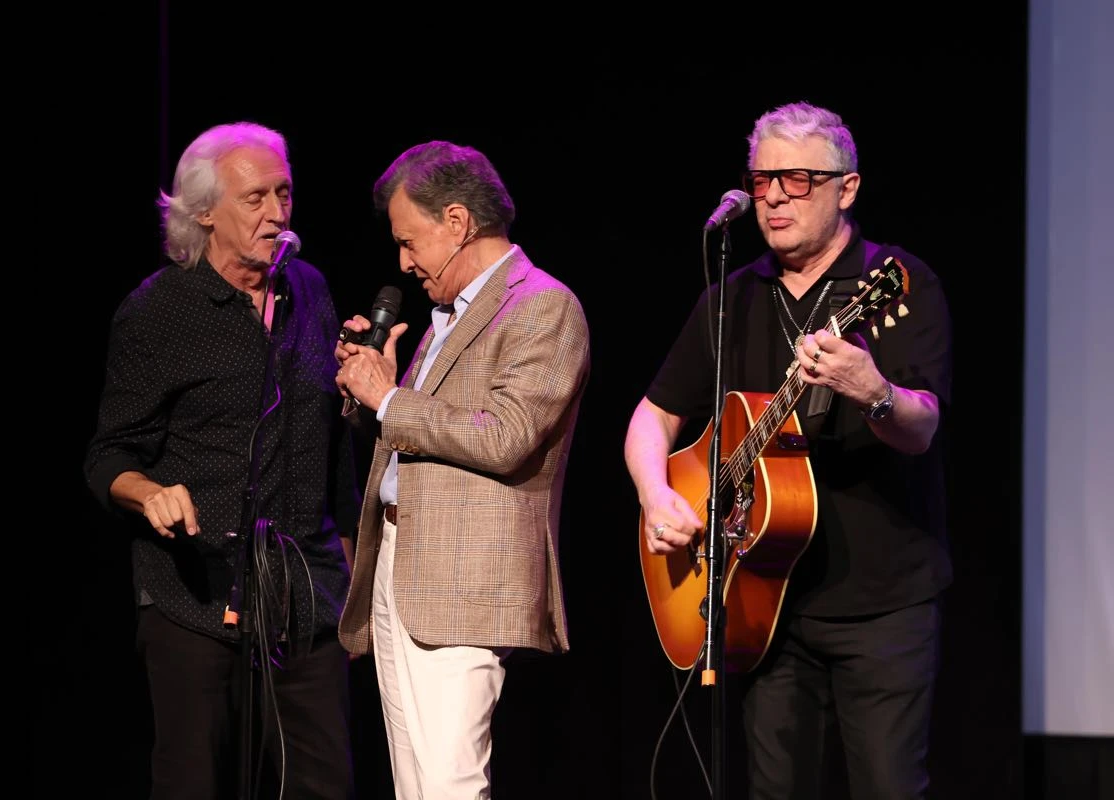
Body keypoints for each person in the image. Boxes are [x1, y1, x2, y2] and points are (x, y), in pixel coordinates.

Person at [624, 101, 952, 799]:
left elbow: (922, 426)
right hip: (758, 603)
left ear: (848, 188)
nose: (773, 195)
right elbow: (650, 419)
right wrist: (659, 496)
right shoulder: (732, 297)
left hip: (882, 603)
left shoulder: (895, 284)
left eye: (798, 179)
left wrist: (873, 390)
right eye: (763, 178)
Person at [83, 121, 360, 800]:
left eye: (285, 193)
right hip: (196, 595)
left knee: (325, 785)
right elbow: (109, 452)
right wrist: (148, 492)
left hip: (307, 595)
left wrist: (355, 575)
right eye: (255, 198)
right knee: (195, 784)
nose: (277, 213)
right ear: (203, 212)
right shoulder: (156, 313)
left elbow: (334, 451)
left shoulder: (310, 293)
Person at [333, 140, 591, 799]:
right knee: (416, 784)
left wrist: (387, 398)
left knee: (448, 783)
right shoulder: (450, 315)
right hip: (401, 560)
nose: (404, 262)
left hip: (465, 576)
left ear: (456, 222)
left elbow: (506, 437)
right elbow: (423, 434)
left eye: (410, 241)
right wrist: (374, 391)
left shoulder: (542, 306)